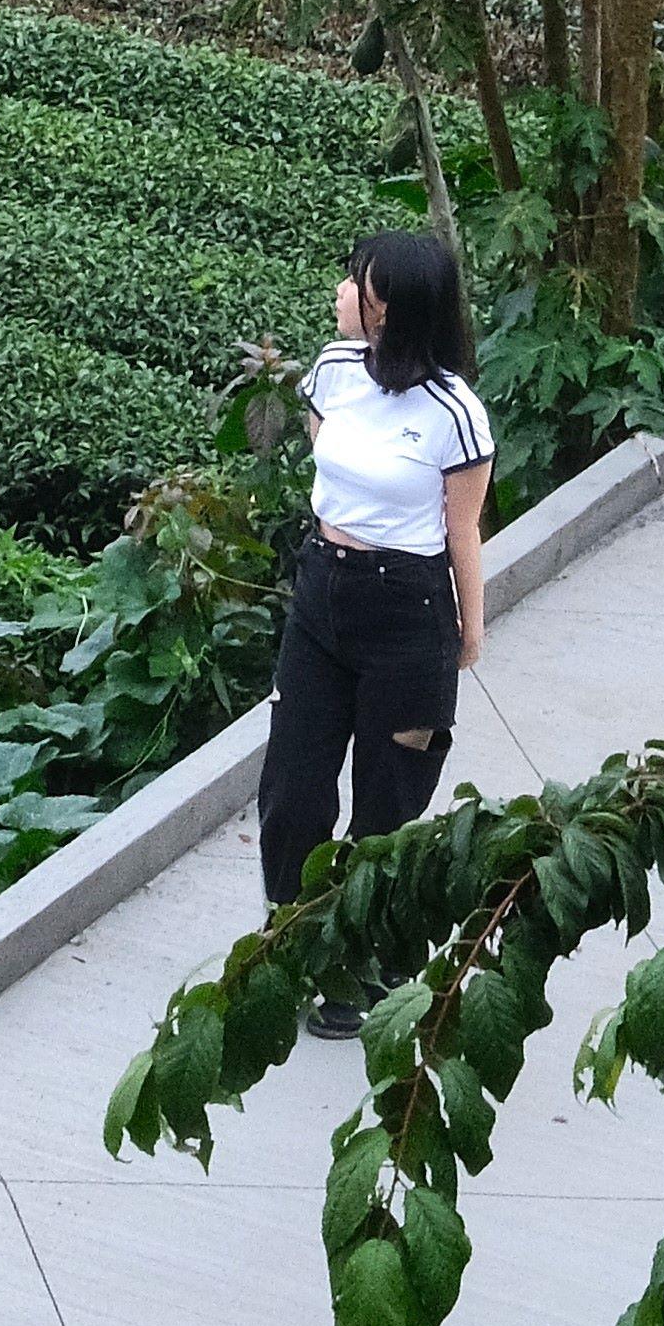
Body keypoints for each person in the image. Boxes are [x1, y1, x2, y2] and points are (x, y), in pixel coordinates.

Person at [258, 224, 494, 1029]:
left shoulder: (455, 414)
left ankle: (360, 970)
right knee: (292, 790)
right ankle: (289, 942)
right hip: (324, 593)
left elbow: (462, 529)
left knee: (385, 807)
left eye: (355, 282)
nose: (341, 293)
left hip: (408, 611)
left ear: (388, 308)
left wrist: (469, 630)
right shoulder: (330, 371)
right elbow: (335, 469)